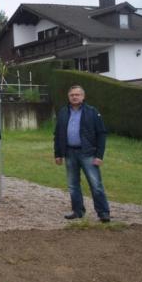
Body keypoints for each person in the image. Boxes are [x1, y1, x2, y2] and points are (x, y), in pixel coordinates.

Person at [54, 85, 111, 222]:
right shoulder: (63, 112)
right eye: (72, 95)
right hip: (69, 152)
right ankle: (78, 211)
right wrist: (58, 154)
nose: (74, 97)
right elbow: (58, 134)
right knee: (73, 185)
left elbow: (101, 134)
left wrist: (99, 156)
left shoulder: (92, 112)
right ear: (69, 97)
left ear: (83, 97)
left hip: (88, 153)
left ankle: (103, 212)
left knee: (95, 184)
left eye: (77, 94)